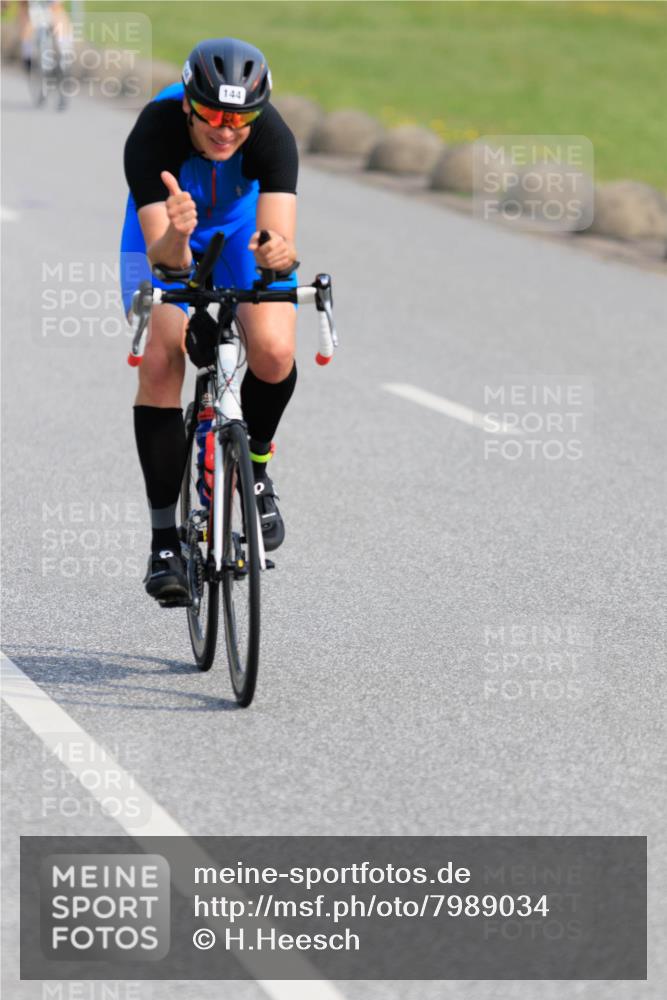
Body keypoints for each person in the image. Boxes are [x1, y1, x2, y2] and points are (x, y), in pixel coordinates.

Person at [120, 38, 299, 604]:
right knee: (162, 356)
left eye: (241, 118)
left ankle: (258, 468)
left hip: (240, 227)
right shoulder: (152, 136)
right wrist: (177, 232)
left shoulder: (273, 137)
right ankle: (165, 542)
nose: (227, 129)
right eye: (214, 116)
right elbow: (165, 260)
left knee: (272, 350)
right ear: (190, 106)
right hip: (167, 231)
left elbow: (279, 244)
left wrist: (278, 257)